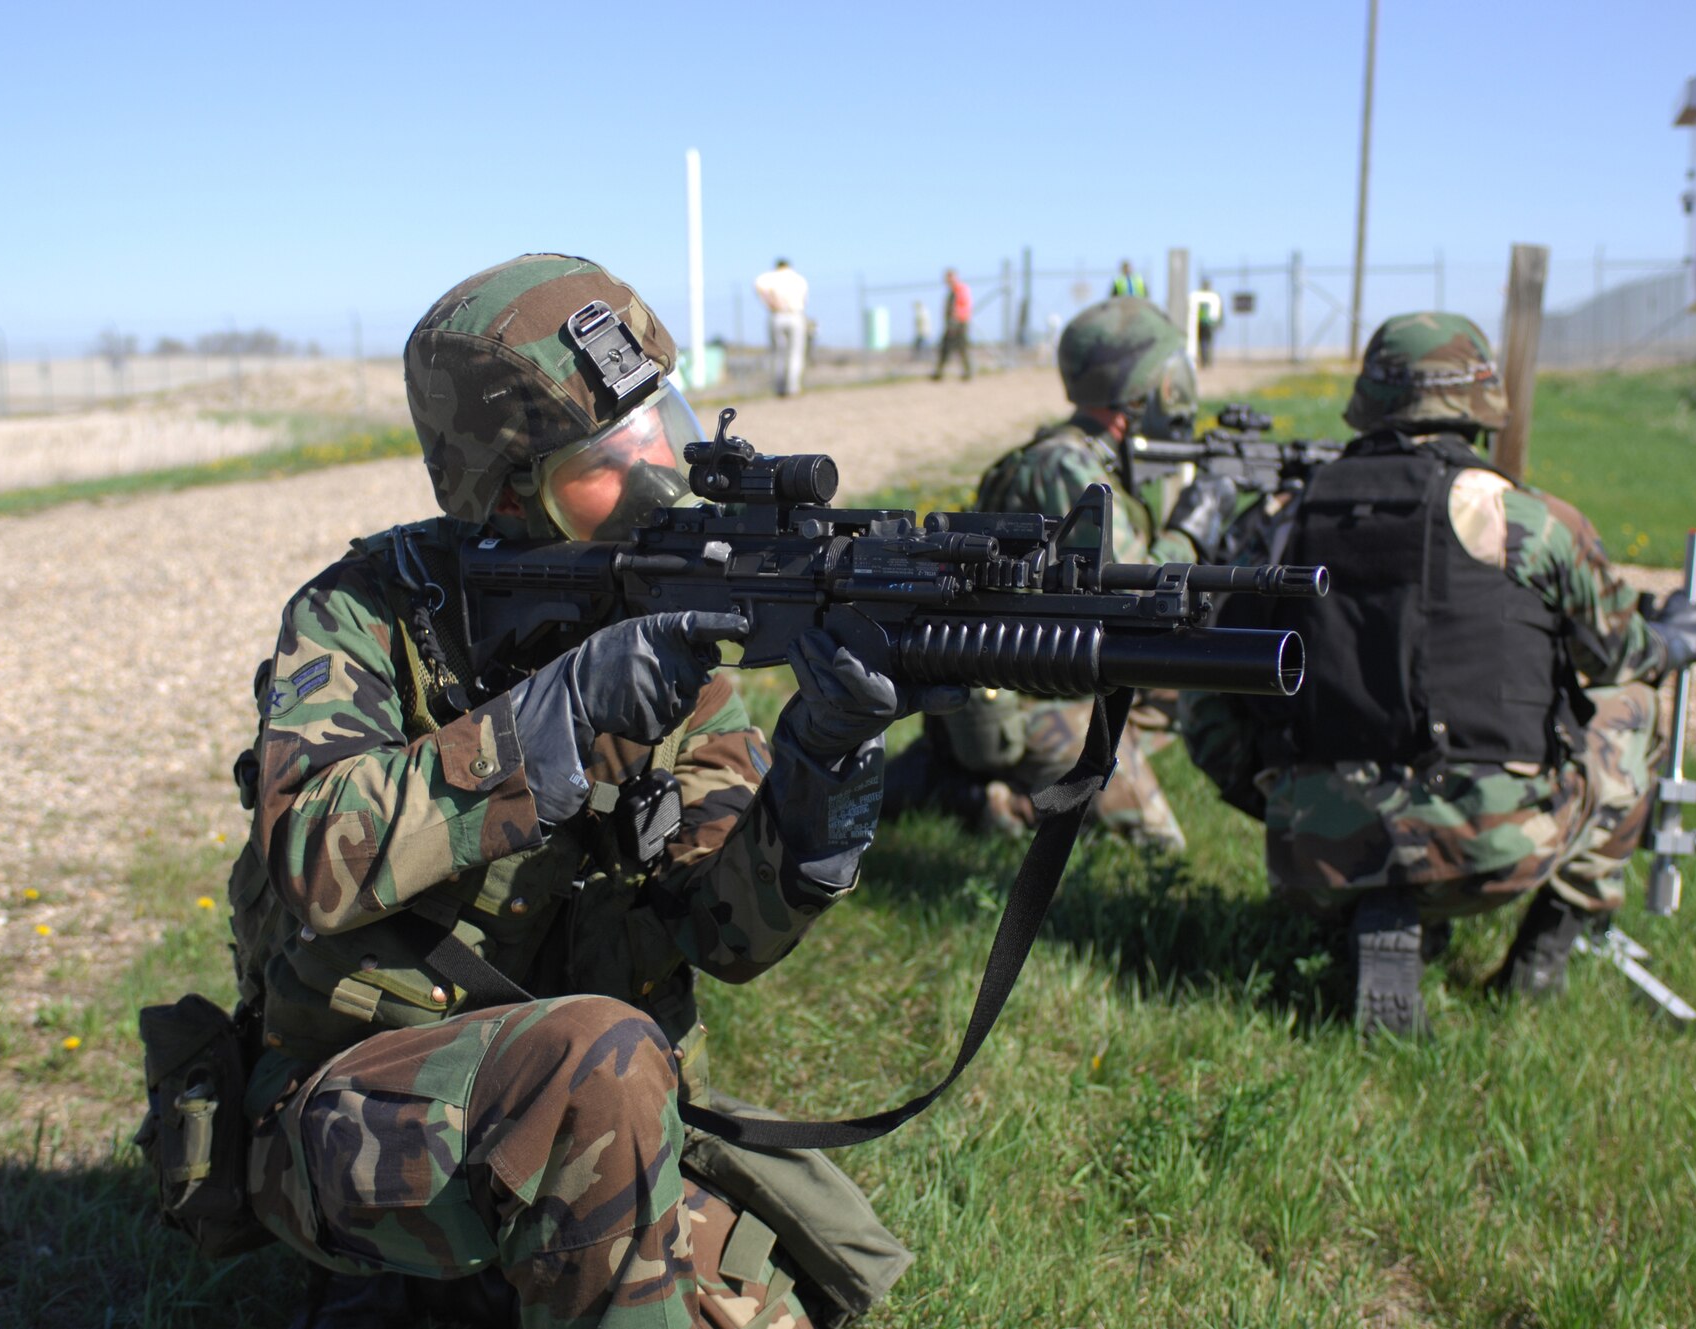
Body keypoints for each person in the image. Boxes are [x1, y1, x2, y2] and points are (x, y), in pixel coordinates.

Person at [227, 254, 916, 1326]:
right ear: (507, 489)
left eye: (663, 425)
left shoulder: (669, 632)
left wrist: (825, 765)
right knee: (598, 1058)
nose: (659, 468)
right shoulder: (361, 615)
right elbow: (315, 855)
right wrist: (557, 719)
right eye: (610, 453)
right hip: (361, 1110)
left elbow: (722, 933)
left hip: (593, 1113)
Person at [1180, 312, 1696, 1036]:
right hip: (1493, 848)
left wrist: (1275, 792)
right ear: (1480, 408)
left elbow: (1210, 673)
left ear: (1371, 400)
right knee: (1635, 704)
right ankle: (1546, 951)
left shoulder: (1282, 518)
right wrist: (1681, 634)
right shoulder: (1530, 520)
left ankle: (1376, 886)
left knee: (1211, 680)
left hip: (1312, 843)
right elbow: (1624, 655)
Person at [886, 296, 1204, 851]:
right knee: (1160, 846)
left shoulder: (1077, 457)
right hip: (1031, 694)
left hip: (1041, 677)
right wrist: (1193, 532)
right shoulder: (1066, 468)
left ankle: (961, 773)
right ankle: (992, 798)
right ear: (1146, 386)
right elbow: (1136, 597)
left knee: (1193, 694)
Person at [754, 257, 809, 396]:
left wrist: (771, 302)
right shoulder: (798, 279)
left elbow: (759, 286)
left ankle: (779, 388)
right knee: (795, 353)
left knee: (778, 353)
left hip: (777, 315)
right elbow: (804, 299)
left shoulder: (770, 277)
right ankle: (793, 387)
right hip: (796, 315)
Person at [931, 268, 973, 381]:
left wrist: (956, 319)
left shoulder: (960, 290)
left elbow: (963, 307)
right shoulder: (952, 292)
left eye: (950, 278)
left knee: (961, 348)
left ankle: (967, 372)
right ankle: (939, 372)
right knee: (945, 348)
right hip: (951, 324)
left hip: (959, 324)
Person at [1194, 282, 1220, 368]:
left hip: (1203, 324)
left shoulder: (1201, 300)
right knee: (1205, 344)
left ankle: (1205, 361)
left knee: (1204, 344)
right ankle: (1206, 361)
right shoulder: (1209, 299)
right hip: (1205, 325)